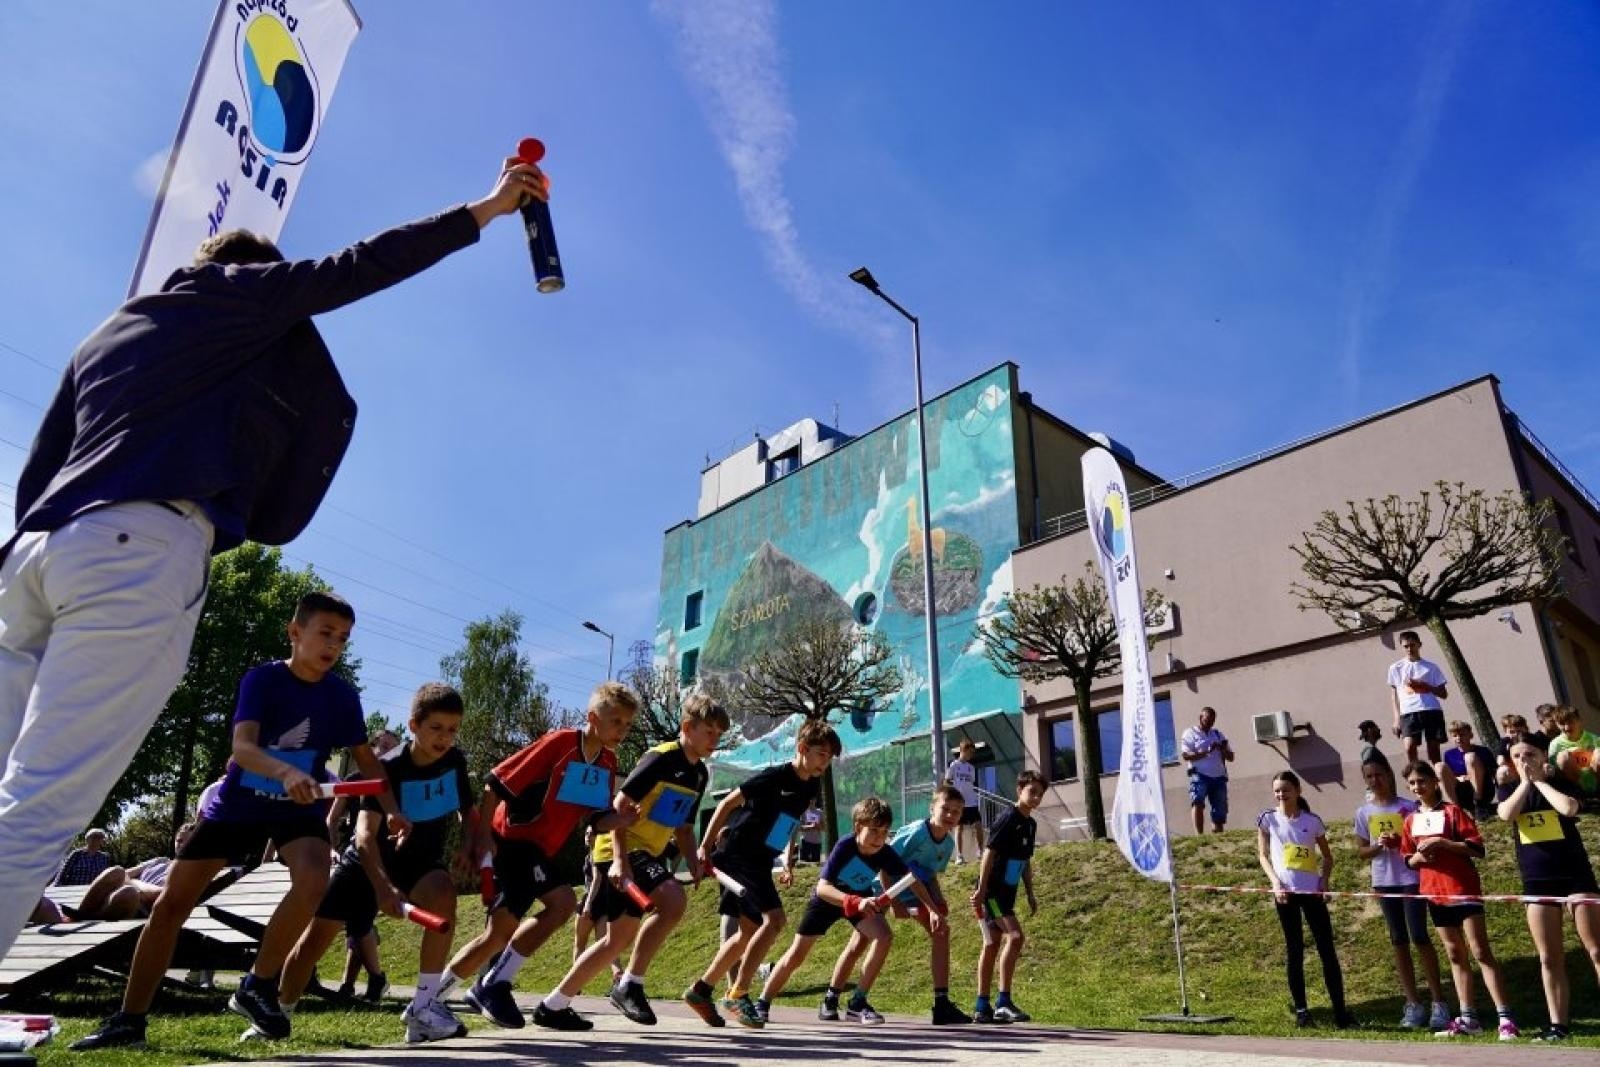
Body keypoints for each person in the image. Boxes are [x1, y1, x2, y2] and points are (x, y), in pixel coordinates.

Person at [0, 154, 551, 962]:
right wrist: (489, 208)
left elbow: (38, 470)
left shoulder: (110, 332)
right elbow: (357, 266)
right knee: (41, 805)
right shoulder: (237, 294)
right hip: (138, 550)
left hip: (33, 555)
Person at [72, 592, 409, 1050]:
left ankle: (258, 985)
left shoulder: (342, 697)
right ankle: (128, 1021)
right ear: (295, 632)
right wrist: (286, 771)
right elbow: (243, 749)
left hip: (297, 808)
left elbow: (370, 765)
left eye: (343, 639)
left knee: (314, 880)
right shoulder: (262, 681)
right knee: (171, 905)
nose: (334, 645)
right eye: (325, 633)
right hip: (238, 804)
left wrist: (393, 812)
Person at [275, 683, 476, 1045]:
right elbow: (365, 838)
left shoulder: (455, 761)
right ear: (413, 725)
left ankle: (422, 1009)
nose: (445, 737)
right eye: (436, 728)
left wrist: (470, 844)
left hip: (419, 862)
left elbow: (468, 810)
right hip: (366, 864)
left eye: (452, 729)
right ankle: (276, 1015)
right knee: (312, 944)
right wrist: (384, 890)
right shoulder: (386, 768)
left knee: (444, 894)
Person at [442, 681, 638, 1030]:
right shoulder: (560, 743)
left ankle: (446, 994)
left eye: (627, 724)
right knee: (557, 905)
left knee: (505, 929)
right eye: (616, 721)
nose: (622, 729)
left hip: (539, 850)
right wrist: (482, 836)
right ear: (593, 717)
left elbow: (598, 817)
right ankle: (481, 987)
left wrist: (621, 820)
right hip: (512, 840)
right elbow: (495, 783)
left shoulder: (608, 762)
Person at [533, 693, 729, 1032]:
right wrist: (620, 863)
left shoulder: (699, 776)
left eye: (719, 734)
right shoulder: (660, 759)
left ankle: (552, 1005)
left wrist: (696, 858)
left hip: (645, 854)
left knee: (615, 941)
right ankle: (631, 984)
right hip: (618, 850)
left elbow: (682, 826)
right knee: (672, 900)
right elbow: (619, 806)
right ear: (687, 728)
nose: (715, 739)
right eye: (709, 731)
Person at [682, 720, 839, 1029]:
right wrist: (703, 846)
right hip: (739, 854)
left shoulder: (810, 784)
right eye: (821, 754)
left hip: (761, 860)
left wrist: (788, 861)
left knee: (749, 929)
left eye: (830, 756)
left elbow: (789, 821)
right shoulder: (774, 777)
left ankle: (701, 990)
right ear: (803, 748)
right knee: (775, 920)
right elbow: (727, 803)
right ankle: (738, 993)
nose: (826, 761)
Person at [757, 796, 941, 1027]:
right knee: (796, 956)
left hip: (858, 902)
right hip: (827, 902)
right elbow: (823, 888)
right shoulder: (845, 845)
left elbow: (911, 879)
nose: (879, 837)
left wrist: (932, 909)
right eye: (873, 830)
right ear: (857, 827)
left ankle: (857, 1003)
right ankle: (762, 1004)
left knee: (884, 936)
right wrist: (853, 901)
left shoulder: (883, 851)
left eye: (885, 831)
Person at [1400, 760, 1519, 1040]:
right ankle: (1468, 1019)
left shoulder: (1454, 813)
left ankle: (1506, 1018)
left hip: (1463, 889)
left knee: (1480, 951)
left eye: (1423, 781)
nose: (1418, 787)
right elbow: (1409, 859)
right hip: (1435, 894)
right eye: (1413, 783)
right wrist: (1420, 856)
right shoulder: (1410, 820)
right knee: (1454, 953)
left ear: (1434, 782)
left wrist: (1443, 844)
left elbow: (1477, 848)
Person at [833, 784, 971, 1025]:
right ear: (932, 809)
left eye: (956, 812)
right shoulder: (916, 832)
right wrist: (893, 901)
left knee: (941, 931)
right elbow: (885, 861)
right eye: (945, 809)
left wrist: (937, 903)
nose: (950, 815)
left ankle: (942, 1003)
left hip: (913, 891)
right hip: (882, 887)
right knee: (860, 942)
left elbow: (929, 875)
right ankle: (833, 996)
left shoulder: (948, 844)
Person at [1498, 738, 1600, 1043]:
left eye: (1529, 754)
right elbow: (1505, 814)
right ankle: (1559, 1025)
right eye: (1517, 756)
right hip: (1538, 880)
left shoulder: (1561, 782)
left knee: (1595, 949)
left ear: (1543, 756)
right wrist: (1524, 784)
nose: (1523, 760)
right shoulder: (1511, 789)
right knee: (1548, 957)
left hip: (1575, 876)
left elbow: (1568, 808)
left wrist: (1540, 781)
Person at [1351, 757, 1447, 1030]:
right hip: (1384, 881)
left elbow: (1421, 843)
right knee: (1398, 940)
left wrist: (1401, 841)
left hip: (1411, 879)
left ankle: (1439, 1002)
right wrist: (1379, 846)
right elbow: (1361, 852)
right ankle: (1413, 1003)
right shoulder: (1363, 812)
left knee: (1419, 935)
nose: (1374, 780)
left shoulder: (1408, 807)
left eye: (1378, 775)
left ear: (1389, 775)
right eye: (1368, 776)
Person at [1255, 770, 1353, 1029]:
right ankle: (1302, 1011)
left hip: (1312, 893)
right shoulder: (1268, 820)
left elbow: (1328, 857)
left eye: (1285, 789)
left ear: (1298, 791)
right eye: (1277, 790)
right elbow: (1263, 856)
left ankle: (1341, 1013)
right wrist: (1275, 883)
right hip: (1286, 894)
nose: (1281, 794)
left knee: (1326, 951)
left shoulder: (1312, 821)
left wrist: (1325, 880)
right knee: (1294, 951)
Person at [323, 727, 401, 1003]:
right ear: (372, 747)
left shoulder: (397, 782)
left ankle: (371, 982)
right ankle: (374, 980)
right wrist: (331, 849)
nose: (388, 750)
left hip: (382, 861)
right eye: (384, 745)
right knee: (354, 922)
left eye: (394, 746)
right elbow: (332, 819)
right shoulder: (355, 778)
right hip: (353, 856)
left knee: (360, 922)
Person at [972, 770, 1045, 1025]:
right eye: (1031, 791)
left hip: (1009, 893)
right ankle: (1002, 1002)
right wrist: (981, 890)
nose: (1035, 797)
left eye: (1040, 794)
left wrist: (1030, 893)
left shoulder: (1030, 824)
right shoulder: (1007, 818)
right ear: (1019, 790)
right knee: (1015, 936)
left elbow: (1025, 861)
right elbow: (988, 854)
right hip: (993, 893)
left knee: (991, 944)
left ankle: (982, 1006)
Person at [72, 823, 196, 921]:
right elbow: (122, 874)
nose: (182, 845)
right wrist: (134, 883)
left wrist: (134, 882)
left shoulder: (190, 871)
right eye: (179, 840)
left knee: (129, 893)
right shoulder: (160, 861)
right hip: (120, 895)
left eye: (188, 841)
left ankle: (88, 918)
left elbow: (159, 894)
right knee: (117, 871)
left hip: (145, 909)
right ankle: (78, 915)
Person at [1387, 631, 1449, 768]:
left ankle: (1438, 780)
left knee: (1433, 751)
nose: (1409, 649)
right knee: (1409, 747)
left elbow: (1444, 694)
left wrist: (1427, 686)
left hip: (1431, 710)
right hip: (1408, 712)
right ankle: (1416, 775)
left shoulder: (1431, 667)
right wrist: (1396, 719)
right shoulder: (1395, 668)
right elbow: (1394, 695)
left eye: (1412, 645)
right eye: (1405, 646)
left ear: (1419, 644)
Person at [1180, 706, 1233, 833]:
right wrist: (1207, 751)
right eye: (1207, 720)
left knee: (1219, 808)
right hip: (1199, 774)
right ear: (1200, 718)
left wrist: (1223, 749)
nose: (1210, 723)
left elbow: (1231, 757)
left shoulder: (1218, 734)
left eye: (1212, 721)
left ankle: (1218, 835)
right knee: (1198, 801)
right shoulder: (1190, 733)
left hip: (1219, 775)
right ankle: (1200, 836)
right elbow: (1186, 756)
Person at [1443, 721, 1497, 821]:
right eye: (1455, 736)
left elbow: (1493, 772)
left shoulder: (1483, 751)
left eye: (1462, 735)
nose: (1458, 738)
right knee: (1440, 766)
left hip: (1483, 789)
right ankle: (1454, 810)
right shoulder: (1449, 754)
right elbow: (1448, 776)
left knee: (1470, 756)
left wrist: (1471, 775)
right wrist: (1458, 778)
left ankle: (1479, 804)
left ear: (1470, 735)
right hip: (1461, 789)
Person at [1547, 705, 1599, 798]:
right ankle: (1579, 795)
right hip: (1574, 789)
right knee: (1564, 757)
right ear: (1557, 724)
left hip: (1595, 783)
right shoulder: (1555, 745)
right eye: (1562, 723)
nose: (1567, 727)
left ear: (1579, 721)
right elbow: (1555, 774)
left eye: (1570, 722)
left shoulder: (1593, 739)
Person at [945, 739, 984, 864]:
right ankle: (959, 856)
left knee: (978, 825)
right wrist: (952, 794)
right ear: (963, 750)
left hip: (971, 802)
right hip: (959, 803)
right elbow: (947, 781)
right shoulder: (954, 765)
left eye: (972, 752)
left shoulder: (971, 768)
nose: (971, 755)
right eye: (970, 752)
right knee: (959, 827)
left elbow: (970, 783)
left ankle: (981, 852)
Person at [1493, 714, 1533, 800]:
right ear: (1506, 733)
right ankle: (1506, 800)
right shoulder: (1505, 742)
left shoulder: (1532, 739)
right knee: (1502, 771)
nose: (1515, 735)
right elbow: (1500, 761)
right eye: (1511, 732)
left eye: (1519, 731)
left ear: (1526, 729)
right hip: (1515, 772)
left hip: (1532, 768)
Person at [798, 801, 824, 865]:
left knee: (816, 864)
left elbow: (824, 828)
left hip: (817, 843)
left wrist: (818, 826)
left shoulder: (820, 812)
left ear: (815, 800)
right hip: (805, 842)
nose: (811, 801)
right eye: (810, 799)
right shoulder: (803, 811)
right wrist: (810, 826)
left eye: (813, 799)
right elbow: (799, 828)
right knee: (804, 865)